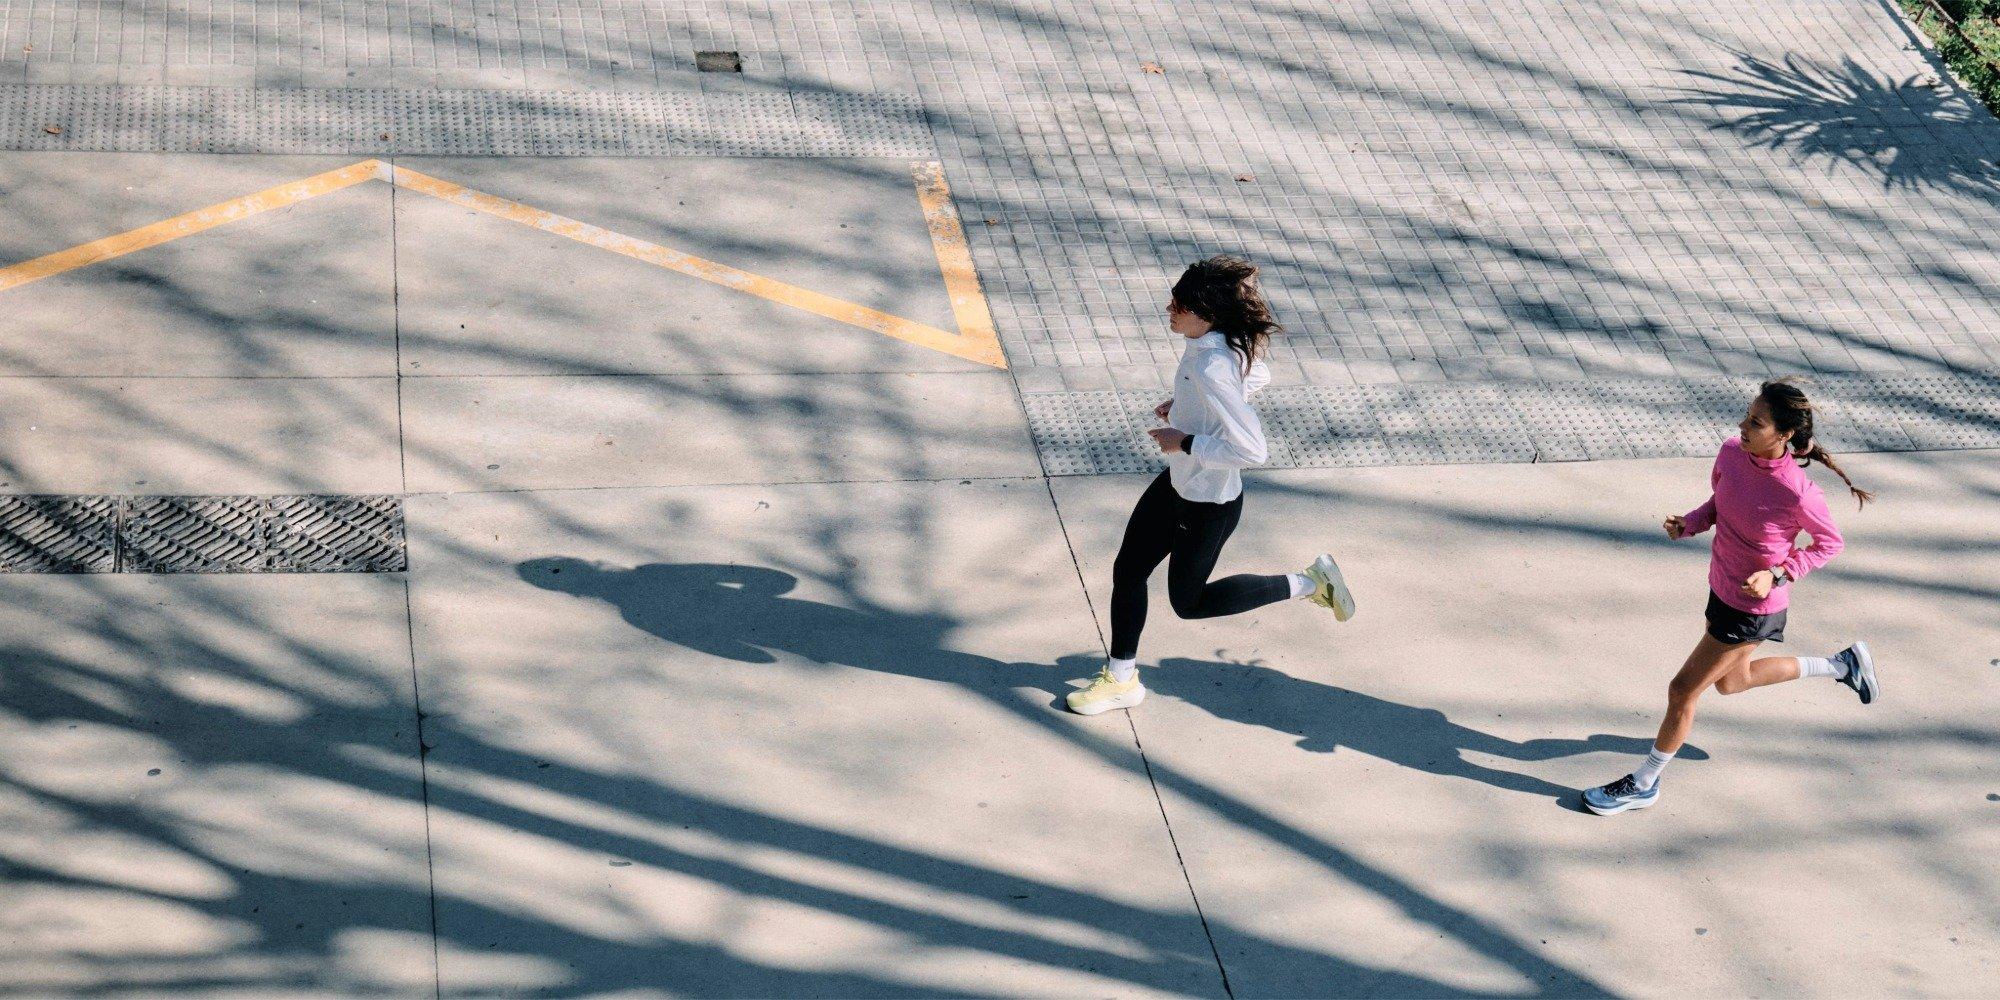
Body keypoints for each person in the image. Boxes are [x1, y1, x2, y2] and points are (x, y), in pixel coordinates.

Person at [1066, 255, 1356, 716]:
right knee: (1129, 570)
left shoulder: (1213, 366)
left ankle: (1309, 583)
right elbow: (1256, 374)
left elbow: (1252, 450)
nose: (1170, 309)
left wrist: (1185, 439)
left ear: (1205, 313)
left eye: (1179, 305)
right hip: (1177, 485)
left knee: (1191, 603)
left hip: (1207, 503)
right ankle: (1121, 679)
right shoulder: (1211, 345)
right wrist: (1185, 406)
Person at [1584, 379, 1877, 815]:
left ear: (1784, 435)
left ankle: (1645, 782)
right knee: (1731, 682)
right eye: (1747, 416)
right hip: (1721, 587)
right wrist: (1691, 523)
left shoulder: (1798, 491)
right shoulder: (1731, 454)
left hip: (1752, 608)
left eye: (1755, 422)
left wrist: (1778, 573)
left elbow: (1828, 544)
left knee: (1683, 691)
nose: (1743, 426)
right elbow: (1719, 504)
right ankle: (1842, 665)